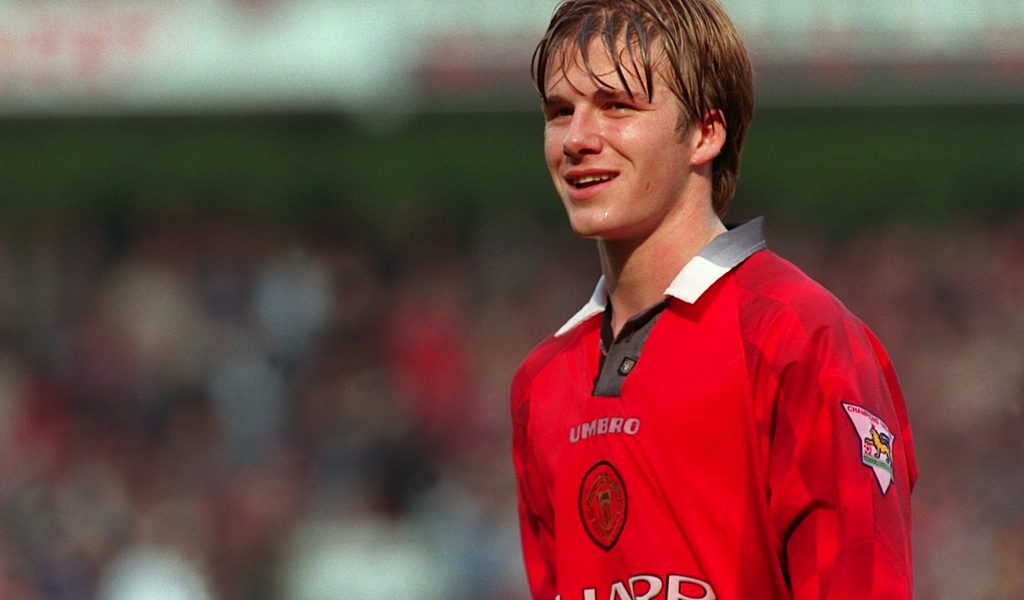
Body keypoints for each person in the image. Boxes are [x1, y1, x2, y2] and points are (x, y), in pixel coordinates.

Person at [509, 1, 918, 599]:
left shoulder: (799, 336)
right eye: (559, 112)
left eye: (617, 106)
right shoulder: (539, 385)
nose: (576, 139)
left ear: (706, 132)